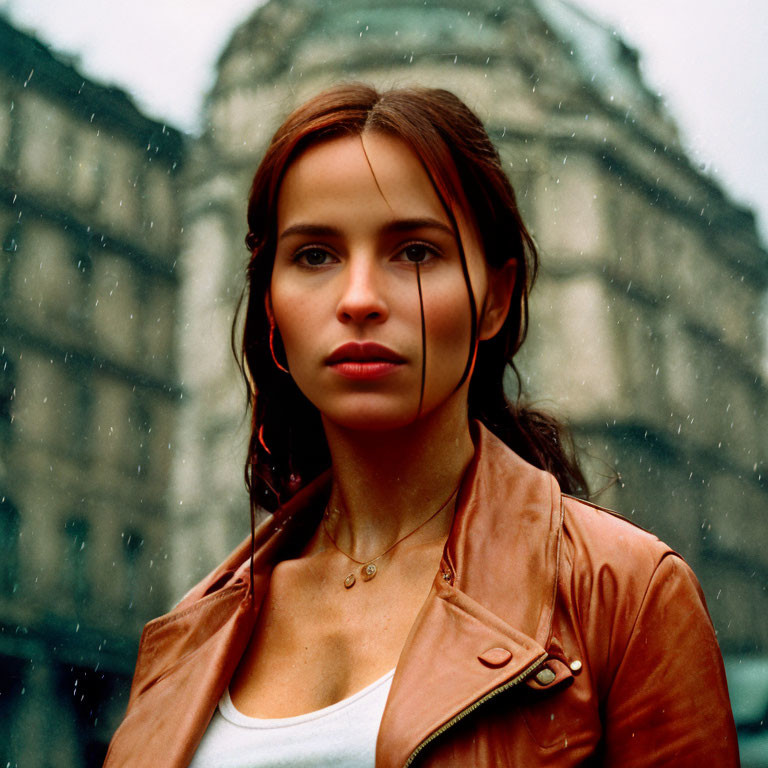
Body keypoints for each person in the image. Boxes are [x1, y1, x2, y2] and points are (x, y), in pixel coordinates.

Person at [104, 84, 738, 767]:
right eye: (315, 255)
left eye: (414, 252)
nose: (359, 300)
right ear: (272, 312)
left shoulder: (627, 595)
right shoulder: (192, 636)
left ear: (495, 299)